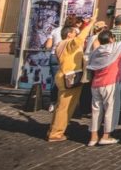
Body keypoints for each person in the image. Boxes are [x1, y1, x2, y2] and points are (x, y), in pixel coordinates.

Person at [87, 16, 121, 147]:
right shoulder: (113, 48)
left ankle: (93, 136)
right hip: (110, 82)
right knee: (111, 109)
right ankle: (106, 135)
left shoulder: (96, 51)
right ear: (111, 39)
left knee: (96, 110)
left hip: (96, 83)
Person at [47, 10, 97, 142]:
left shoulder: (60, 44)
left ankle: (54, 129)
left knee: (61, 106)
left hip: (64, 75)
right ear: (69, 34)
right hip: (70, 77)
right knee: (65, 107)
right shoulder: (69, 44)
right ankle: (56, 133)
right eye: (74, 32)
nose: (77, 34)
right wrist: (91, 23)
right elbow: (80, 39)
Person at [44, 15, 78, 111]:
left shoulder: (55, 30)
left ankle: (52, 103)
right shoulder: (75, 31)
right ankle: (64, 103)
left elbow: (48, 45)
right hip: (67, 57)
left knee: (55, 80)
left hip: (54, 55)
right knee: (68, 80)